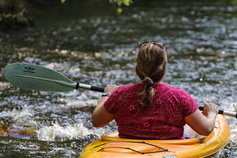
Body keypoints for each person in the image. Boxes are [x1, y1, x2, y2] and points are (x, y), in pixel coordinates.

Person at [91, 41, 219, 139]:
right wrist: (212, 113)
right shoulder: (179, 96)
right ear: (163, 66)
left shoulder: (120, 94)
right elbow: (205, 129)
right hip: (169, 150)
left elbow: (97, 122)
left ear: (138, 66)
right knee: (192, 127)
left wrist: (107, 95)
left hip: (129, 147)